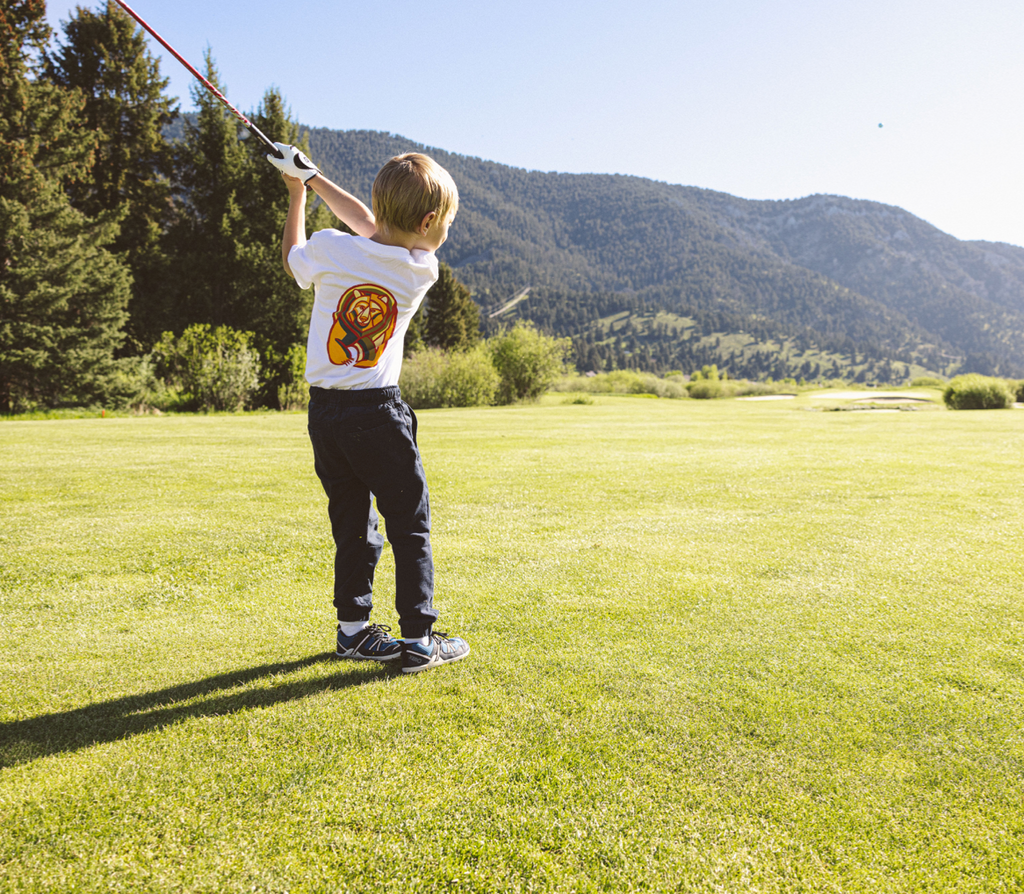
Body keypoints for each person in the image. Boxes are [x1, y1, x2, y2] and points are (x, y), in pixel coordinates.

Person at [269, 143, 470, 674]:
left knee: (352, 524)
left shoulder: (332, 248)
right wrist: (312, 180)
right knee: (409, 523)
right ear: (429, 221)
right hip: (378, 415)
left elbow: (301, 253)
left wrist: (299, 191)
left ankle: (353, 632)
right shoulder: (418, 270)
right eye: (445, 221)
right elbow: (369, 221)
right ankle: (419, 642)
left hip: (325, 416)